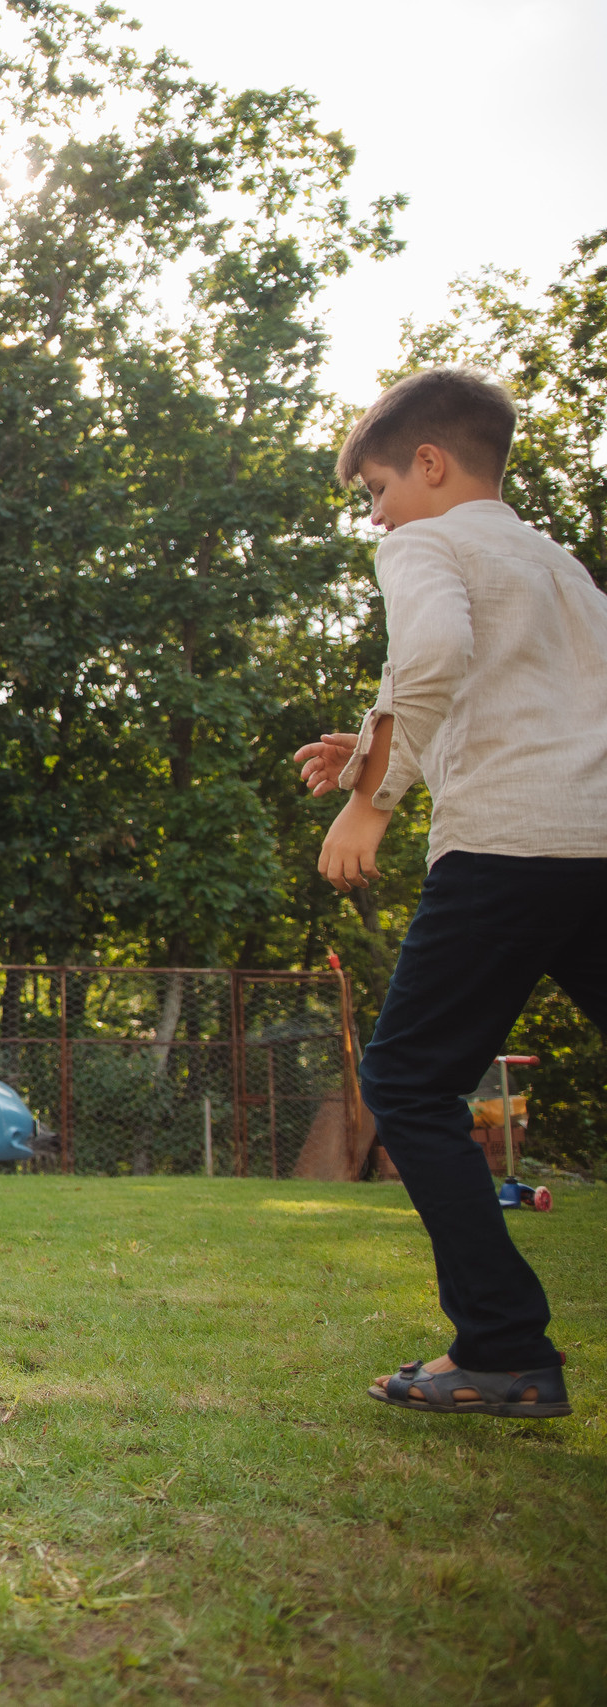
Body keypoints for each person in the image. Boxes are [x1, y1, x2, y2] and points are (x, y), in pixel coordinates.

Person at [293, 366, 601, 1420]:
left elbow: (431, 651)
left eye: (375, 489)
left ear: (428, 464)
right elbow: (502, 693)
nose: (373, 515)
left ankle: (504, 1347)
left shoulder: (421, 542)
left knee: (409, 1084)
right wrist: (377, 750)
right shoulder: (557, 565)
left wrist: (370, 804)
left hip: (508, 850)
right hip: (596, 843)